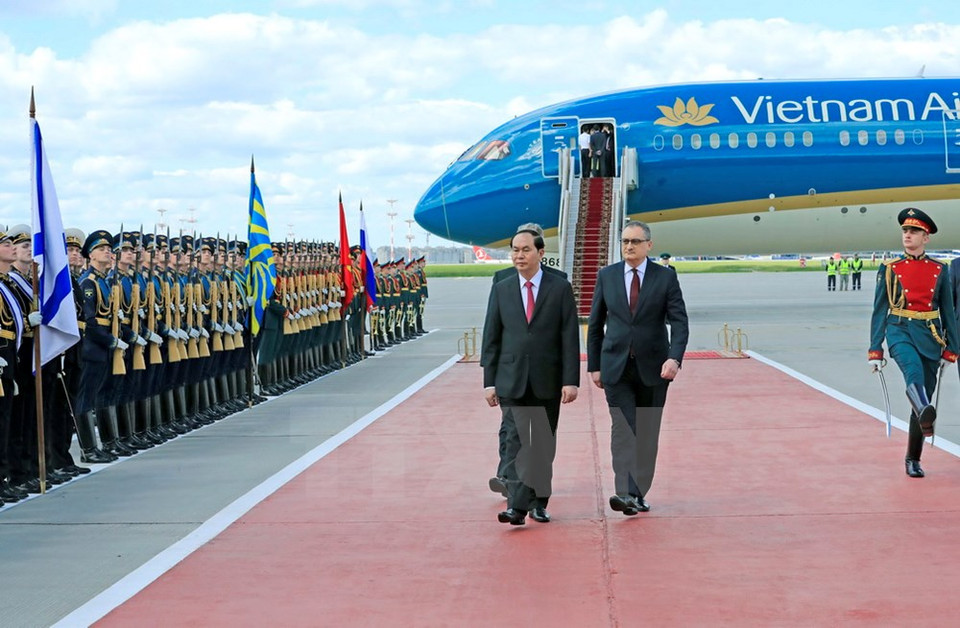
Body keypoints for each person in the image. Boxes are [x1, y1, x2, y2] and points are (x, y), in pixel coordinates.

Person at [586, 220, 689, 516]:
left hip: (655, 369)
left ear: (649, 245)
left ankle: (638, 491)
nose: (628, 246)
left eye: (634, 241)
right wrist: (594, 365)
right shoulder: (606, 276)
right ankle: (625, 493)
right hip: (615, 367)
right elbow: (595, 325)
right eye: (625, 241)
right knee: (623, 429)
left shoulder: (665, 278)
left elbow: (679, 322)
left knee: (646, 432)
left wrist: (675, 358)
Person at [482, 228, 580, 525]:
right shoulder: (502, 288)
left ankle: (539, 501)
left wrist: (570, 379)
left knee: (542, 444)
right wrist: (489, 381)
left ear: (540, 253)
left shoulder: (559, 287)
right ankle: (517, 505)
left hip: (547, 378)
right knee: (515, 440)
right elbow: (492, 336)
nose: (519, 255)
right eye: (514, 250)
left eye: (525, 250)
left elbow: (569, 337)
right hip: (510, 378)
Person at [870, 208, 958, 478]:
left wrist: (951, 349)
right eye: (905, 231)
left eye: (914, 232)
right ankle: (924, 411)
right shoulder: (889, 269)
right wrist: (876, 349)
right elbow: (879, 310)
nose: (907, 235)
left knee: (922, 397)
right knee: (913, 374)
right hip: (899, 331)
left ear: (925, 237)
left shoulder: (938, 270)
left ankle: (913, 458)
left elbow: (948, 312)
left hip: (931, 335)